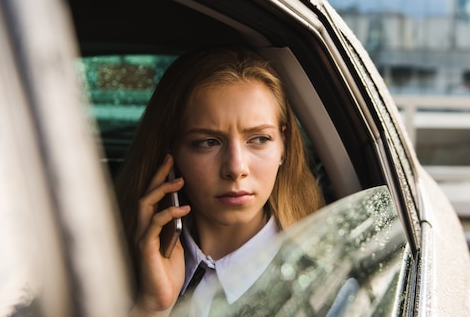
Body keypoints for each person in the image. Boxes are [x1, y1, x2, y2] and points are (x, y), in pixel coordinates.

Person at [114, 47, 325, 316]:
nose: (236, 168)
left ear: (283, 145)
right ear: (170, 151)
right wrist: (152, 307)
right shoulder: (111, 267)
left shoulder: (326, 282)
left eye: (259, 139)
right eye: (208, 142)